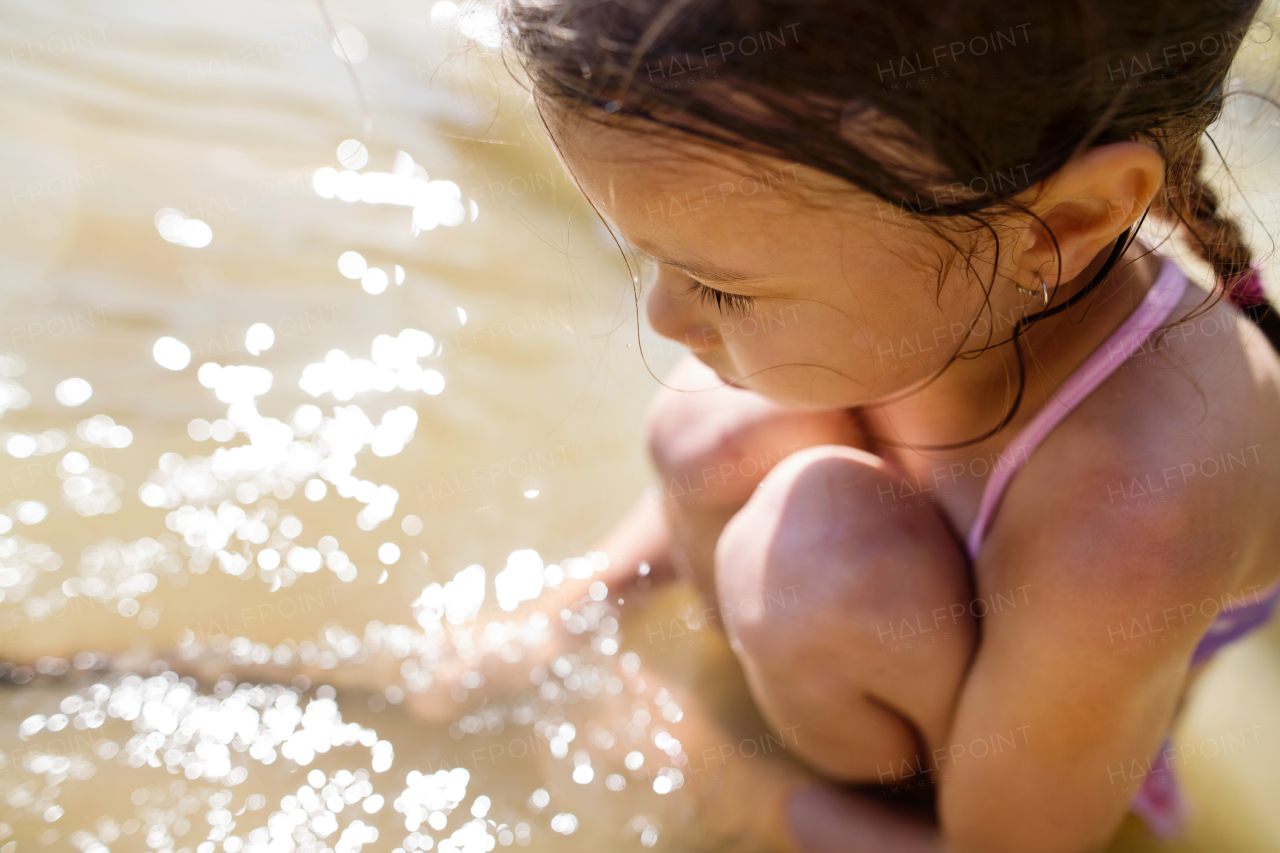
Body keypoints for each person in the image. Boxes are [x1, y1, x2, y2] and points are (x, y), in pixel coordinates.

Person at [486, 1, 1280, 850]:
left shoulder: (1131, 517)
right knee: (709, 431)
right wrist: (573, 607)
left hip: (1040, 770)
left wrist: (723, 785)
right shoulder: (966, 275)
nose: (662, 315)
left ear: (1067, 222)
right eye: (651, 256)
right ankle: (788, 723)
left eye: (722, 287)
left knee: (820, 572)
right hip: (906, 622)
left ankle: (854, 802)